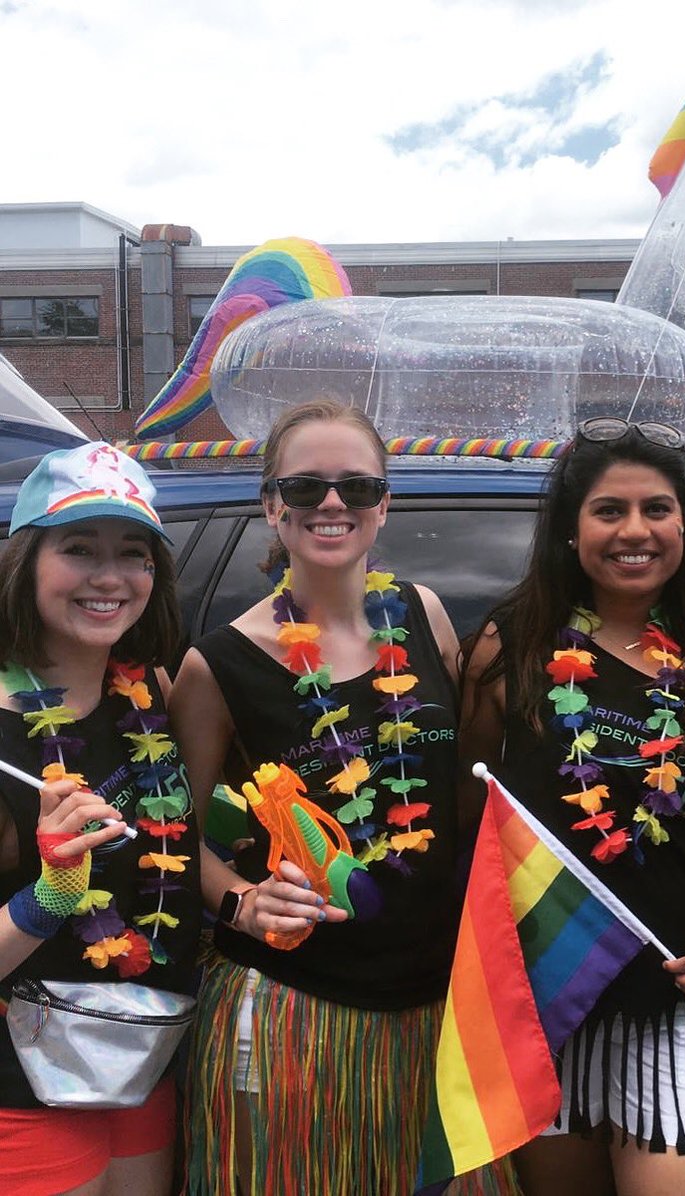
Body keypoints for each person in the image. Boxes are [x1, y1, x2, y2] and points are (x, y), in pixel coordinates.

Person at [169, 400, 515, 1195]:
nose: (332, 504)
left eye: (356, 487)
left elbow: (463, 790)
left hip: (435, 1006)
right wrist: (241, 904)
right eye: (306, 486)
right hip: (296, 1009)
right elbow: (182, 838)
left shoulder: (423, 617)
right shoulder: (217, 665)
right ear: (272, 505)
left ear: (383, 505)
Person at [460, 416, 685, 1196]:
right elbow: (471, 805)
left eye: (656, 509)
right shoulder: (512, 648)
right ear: (572, 531)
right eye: (609, 510)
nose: (633, 531)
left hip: (684, 996)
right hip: (549, 1000)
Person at [0, 442, 200, 1196]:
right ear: (27, 562)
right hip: (23, 1088)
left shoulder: (147, 686)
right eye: (79, 549)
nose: (111, 576)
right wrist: (48, 897)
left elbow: (181, 835)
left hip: (143, 1054)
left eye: (134, 553)